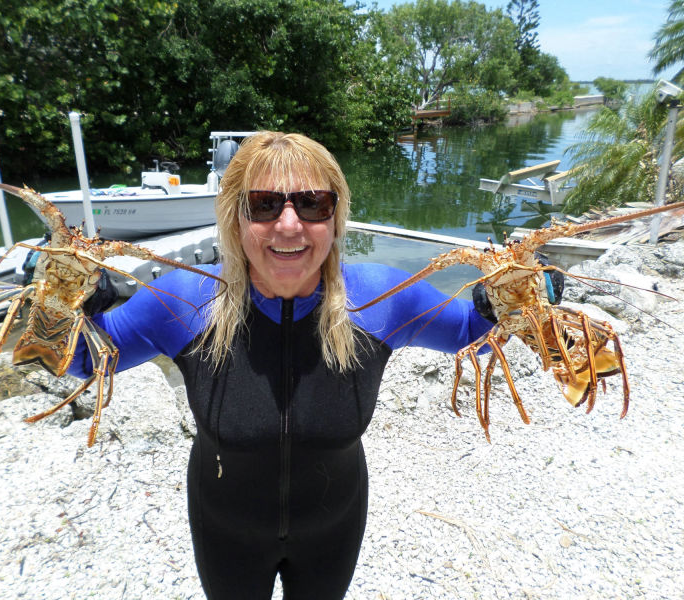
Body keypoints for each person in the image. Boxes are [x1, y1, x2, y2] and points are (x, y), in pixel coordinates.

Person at [70, 131, 498, 599]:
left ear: (336, 218)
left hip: (333, 525)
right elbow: (84, 360)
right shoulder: (181, 300)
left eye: (313, 204)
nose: (290, 225)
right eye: (263, 204)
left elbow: (471, 336)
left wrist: (511, 302)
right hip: (226, 530)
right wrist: (65, 309)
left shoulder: (383, 298)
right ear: (235, 219)